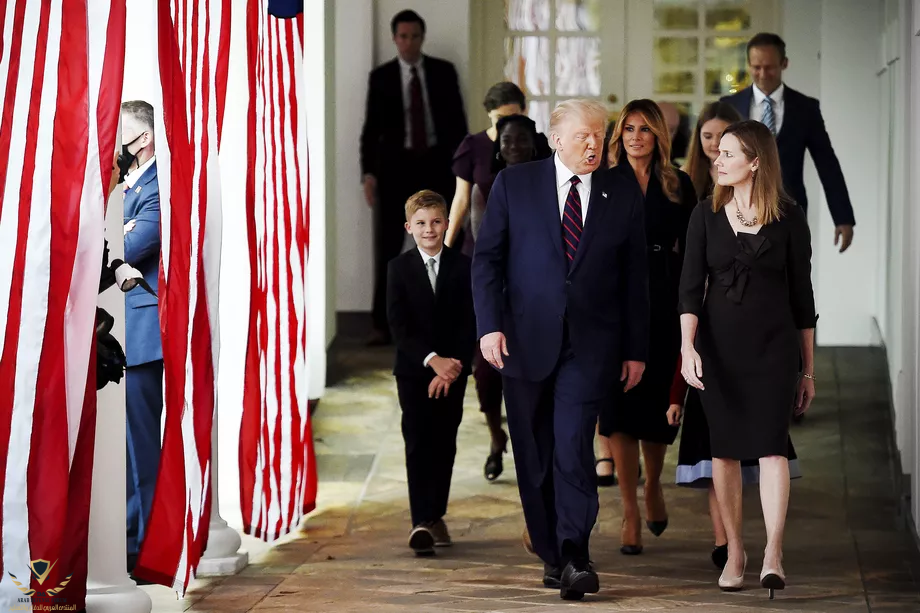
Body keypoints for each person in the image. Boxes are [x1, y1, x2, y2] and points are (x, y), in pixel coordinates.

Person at [473, 99, 649, 600]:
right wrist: (489, 328)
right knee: (533, 456)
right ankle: (551, 553)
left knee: (573, 447)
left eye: (599, 135)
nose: (593, 145)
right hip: (522, 341)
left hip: (590, 345)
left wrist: (636, 348)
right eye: (582, 136)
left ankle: (575, 554)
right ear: (556, 140)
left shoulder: (620, 191)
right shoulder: (515, 184)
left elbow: (636, 277)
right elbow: (487, 261)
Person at [678, 120, 817, 598]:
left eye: (729, 153)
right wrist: (687, 348)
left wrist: (808, 369)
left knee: (772, 446)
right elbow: (689, 291)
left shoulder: (790, 218)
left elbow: (803, 299)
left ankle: (773, 553)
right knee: (724, 451)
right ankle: (735, 550)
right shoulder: (705, 215)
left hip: (774, 350)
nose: (717, 159)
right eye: (718, 152)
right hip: (717, 350)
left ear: (755, 162)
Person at [596, 100, 697, 556]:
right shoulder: (603, 181)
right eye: (628, 129)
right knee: (617, 406)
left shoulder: (678, 183)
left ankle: (653, 483)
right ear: (619, 135)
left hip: (663, 297)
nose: (636, 137)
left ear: (659, 136)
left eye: (644, 129)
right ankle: (629, 511)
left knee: (657, 402)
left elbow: (693, 248)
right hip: (613, 298)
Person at [444, 84, 548, 483]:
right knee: (486, 371)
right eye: (502, 126)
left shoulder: (544, 166)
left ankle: (533, 444)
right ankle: (495, 436)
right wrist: (445, 255)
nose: (512, 139)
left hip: (534, 286)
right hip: (486, 274)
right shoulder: (478, 157)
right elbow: (462, 204)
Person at [361, 9, 469, 346]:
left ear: (422, 38)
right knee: (388, 247)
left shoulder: (442, 72)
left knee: (447, 240)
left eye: (414, 36)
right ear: (395, 39)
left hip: (437, 165)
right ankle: (382, 324)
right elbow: (371, 129)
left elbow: (458, 123)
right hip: (395, 169)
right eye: (403, 37)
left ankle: (450, 319)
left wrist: (462, 171)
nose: (408, 43)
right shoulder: (381, 77)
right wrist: (368, 174)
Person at [387, 190, 476, 556]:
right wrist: (432, 360)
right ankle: (421, 521)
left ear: (447, 224)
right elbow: (399, 325)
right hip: (414, 373)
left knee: (444, 442)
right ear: (409, 227)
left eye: (436, 222)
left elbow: (469, 322)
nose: (429, 229)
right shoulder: (398, 268)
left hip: (453, 372)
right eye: (421, 223)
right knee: (418, 441)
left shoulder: (464, 266)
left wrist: (452, 366)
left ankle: (435, 514)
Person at [721, 32, 856, 253]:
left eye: (769, 67)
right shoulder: (729, 105)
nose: (763, 74)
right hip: (737, 209)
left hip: (789, 210)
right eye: (756, 67)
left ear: (784, 63)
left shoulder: (805, 108)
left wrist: (843, 217)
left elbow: (827, 163)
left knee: (790, 272)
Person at [120, 100, 162, 573]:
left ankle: (149, 547)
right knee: (124, 449)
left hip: (142, 334)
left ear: (144, 138)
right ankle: (130, 539)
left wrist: (117, 234)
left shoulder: (157, 185)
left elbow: (130, 245)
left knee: (142, 446)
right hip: (117, 334)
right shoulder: (124, 184)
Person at [682, 102, 743, 199]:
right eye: (708, 136)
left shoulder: (751, 173)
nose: (715, 143)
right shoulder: (686, 174)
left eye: (722, 136)